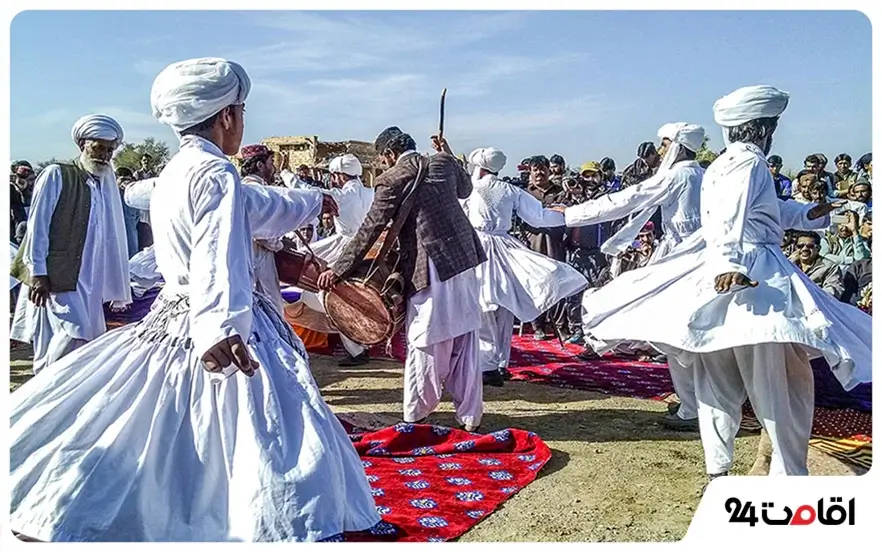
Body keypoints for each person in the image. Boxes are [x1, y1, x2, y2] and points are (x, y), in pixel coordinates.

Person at [9, 57, 380, 543]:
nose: (242, 121)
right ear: (226, 116)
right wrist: (221, 328)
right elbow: (217, 254)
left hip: (174, 316)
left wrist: (312, 201)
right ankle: (250, 519)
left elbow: (259, 206)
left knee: (166, 418)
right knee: (258, 426)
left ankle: (167, 505)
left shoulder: (176, 171)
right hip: (214, 319)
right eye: (242, 111)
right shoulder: (215, 174)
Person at [579, 85, 871, 480]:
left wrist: (807, 214)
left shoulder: (723, 162)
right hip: (752, 277)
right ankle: (787, 475)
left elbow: (764, 210)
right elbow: (730, 217)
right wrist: (729, 263)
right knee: (780, 383)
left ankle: (720, 468)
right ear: (763, 128)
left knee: (716, 376)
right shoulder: (748, 163)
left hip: (723, 271)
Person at [317, 128, 486, 431]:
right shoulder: (444, 163)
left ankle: (416, 414)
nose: (383, 166)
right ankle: (470, 416)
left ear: (388, 155)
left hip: (431, 265)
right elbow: (466, 190)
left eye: (382, 161)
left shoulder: (393, 178)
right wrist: (447, 152)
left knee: (426, 338)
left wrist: (338, 270)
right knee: (465, 335)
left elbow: (370, 229)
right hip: (464, 258)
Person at [557, 124, 707, 429]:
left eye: (663, 145)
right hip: (696, 255)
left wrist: (572, 213)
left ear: (675, 145)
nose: (661, 152)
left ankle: (694, 407)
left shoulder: (677, 176)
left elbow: (629, 198)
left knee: (674, 332)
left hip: (684, 258)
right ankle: (696, 401)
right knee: (683, 333)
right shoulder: (704, 174)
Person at [9, 114, 131, 375]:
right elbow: (37, 226)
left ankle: (59, 395)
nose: (105, 156)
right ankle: (47, 391)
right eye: (99, 147)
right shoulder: (57, 174)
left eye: (110, 150)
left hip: (90, 279)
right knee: (72, 335)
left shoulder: (101, 185)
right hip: (60, 276)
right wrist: (38, 273)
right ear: (82, 145)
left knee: (81, 341)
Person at [460, 146, 587, 386]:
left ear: (479, 167)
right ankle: (501, 363)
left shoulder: (470, 190)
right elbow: (538, 216)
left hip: (479, 247)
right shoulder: (510, 190)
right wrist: (567, 214)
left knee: (483, 305)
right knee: (505, 305)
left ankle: (487, 366)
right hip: (505, 247)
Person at [284, 152, 376, 367]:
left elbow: (309, 192)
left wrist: (287, 173)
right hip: (365, 247)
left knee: (329, 292)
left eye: (333, 176)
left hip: (345, 247)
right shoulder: (369, 192)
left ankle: (356, 349)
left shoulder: (343, 196)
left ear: (339, 176)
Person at [519, 155, 568, 341]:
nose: (539, 173)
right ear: (530, 173)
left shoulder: (561, 192)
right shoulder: (524, 194)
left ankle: (560, 325)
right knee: (536, 286)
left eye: (542, 168)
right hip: (533, 244)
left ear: (549, 170)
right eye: (535, 169)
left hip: (556, 243)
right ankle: (538, 326)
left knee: (558, 284)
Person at [239, 143, 289, 312]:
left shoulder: (247, 188)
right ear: (260, 165)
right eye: (271, 163)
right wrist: (281, 244)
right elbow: (262, 233)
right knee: (271, 312)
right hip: (258, 263)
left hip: (252, 262)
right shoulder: (256, 190)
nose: (273, 168)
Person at [790, 231, 845, 300]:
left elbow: (833, 291)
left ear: (818, 248)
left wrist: (808, 295)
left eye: (810, 246)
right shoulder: (788, 264)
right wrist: (790, 263)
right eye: (800, 246)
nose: (804, 249)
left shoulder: (829, 267)